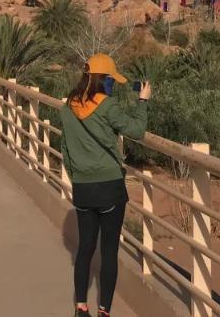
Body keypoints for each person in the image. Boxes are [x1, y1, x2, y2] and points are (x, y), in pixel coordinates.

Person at [60, 53, 152, 317]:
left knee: (86, 247)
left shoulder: (67, 106)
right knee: (109, 251)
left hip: (83, 188)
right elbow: (136, 130)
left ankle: (80, 307)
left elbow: (65, 148)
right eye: (111, 80)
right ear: (103, 80)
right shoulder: (107, 106)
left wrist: (78, 175)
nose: (113, 84)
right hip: (110, 187)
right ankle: (104, 312)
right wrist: (142, 102)